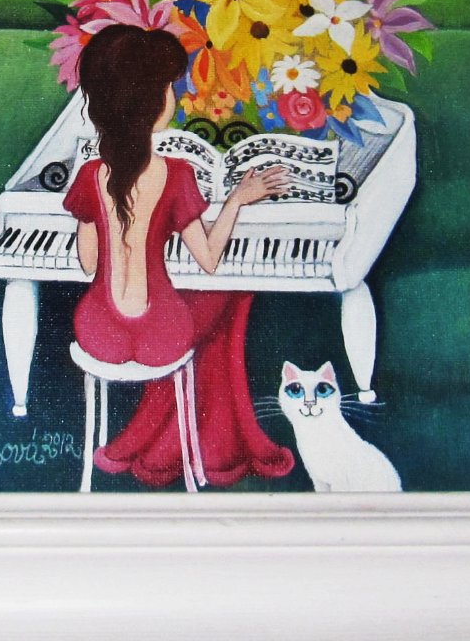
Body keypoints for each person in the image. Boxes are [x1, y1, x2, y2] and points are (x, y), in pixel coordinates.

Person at [64, 24, 296, 486]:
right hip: (160, 338)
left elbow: (88, 263)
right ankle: (204, 443)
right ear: (154, 102)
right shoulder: (177, 174)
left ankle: (151, 437)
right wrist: (237, 200)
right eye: (168, 87)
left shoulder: (90, 174)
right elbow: (209, 260)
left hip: (97, 332)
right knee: (228, 297)